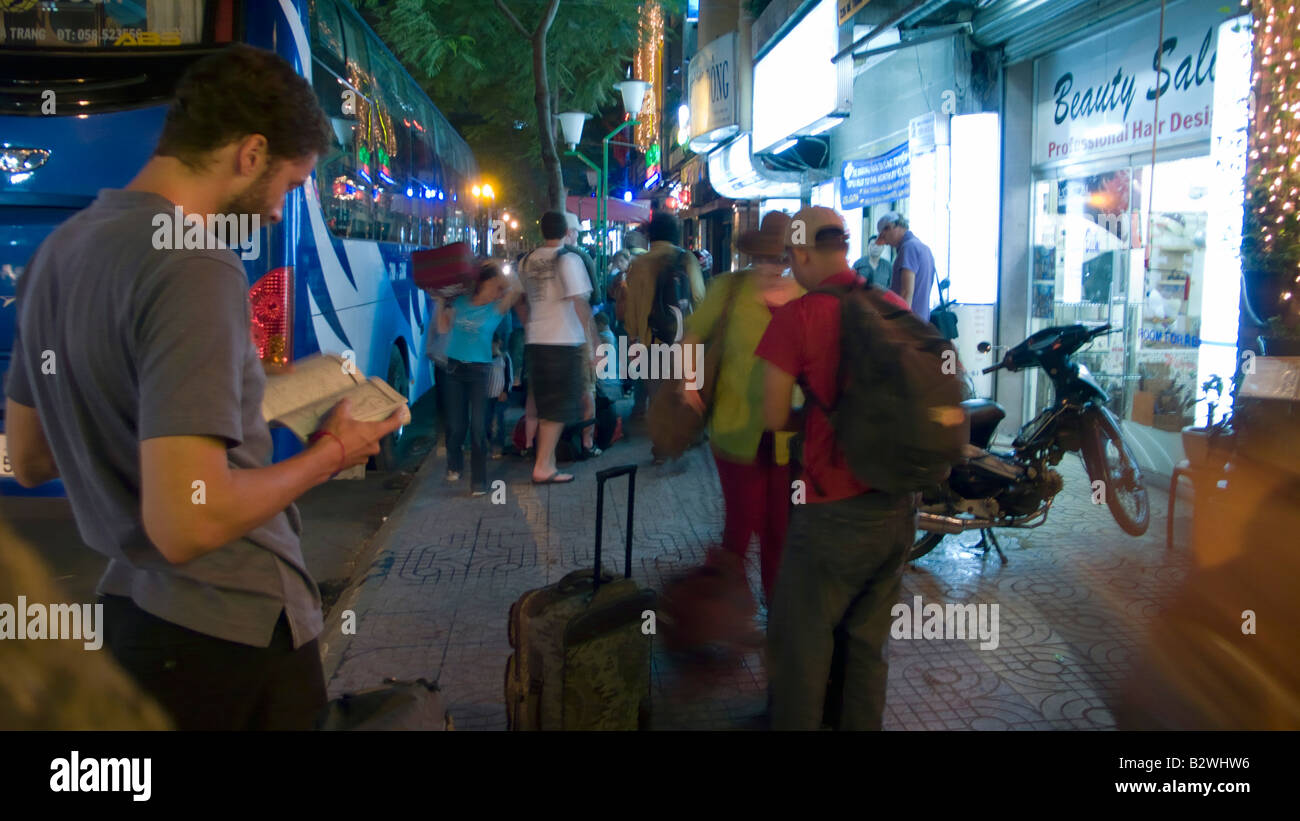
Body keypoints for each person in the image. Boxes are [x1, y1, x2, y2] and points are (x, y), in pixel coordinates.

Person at [2, 45, 406, 730]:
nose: (279, 213)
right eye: (286, 184)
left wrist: (239, 388)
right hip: (232, 629)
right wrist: (332, 450)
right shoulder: (194, 264)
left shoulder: (59, 251)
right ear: (249, 153)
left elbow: (32, 454)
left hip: (132, 614)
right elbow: (187, 521)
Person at [756, 206, 916, 731]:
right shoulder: (893, 304)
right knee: (868, 647)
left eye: (789, 256)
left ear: (801, 252)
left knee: (803, 646)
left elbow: (772, 414)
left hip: (832, 511)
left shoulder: (796, 319)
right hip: (896, 508)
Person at [681, 211, 801, 604]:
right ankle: (721, 606)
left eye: (781, 258)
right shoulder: (727, 289)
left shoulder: (804, 295)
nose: (771, 266)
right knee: (742, 521)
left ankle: (776, 602)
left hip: (789, 430)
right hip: (735, 426)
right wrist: (689, 381)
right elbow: (692, 336)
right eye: (764, 258)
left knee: (779, 526)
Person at [516, 210, 598, 484]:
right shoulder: (569, 259)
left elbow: (519, 300)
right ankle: (543, 465)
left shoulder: (526, 261)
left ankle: (547, 462)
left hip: (536, 340)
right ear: (566, 232)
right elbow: (580, 304)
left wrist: (530, 324)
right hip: (564, 340)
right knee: (560, 406)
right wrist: (595, 343)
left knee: (545, 403)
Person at [436, 261, 519, 494]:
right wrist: (441, 302)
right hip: (454, 368)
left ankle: (479, 480)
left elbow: (517, 288)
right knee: (456, 424)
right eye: (495, 286)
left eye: (500, 287)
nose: (499, 290)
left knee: (479, 426)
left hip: (479, 370)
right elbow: (443, 329)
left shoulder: (496, 308)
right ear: (482, 284)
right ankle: (454, 464)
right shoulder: (461, 302)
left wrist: (498, 266)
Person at [624, 211, 706, 433]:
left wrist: (633, 339)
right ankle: (684, 436)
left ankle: (661, 442)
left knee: (657, 394)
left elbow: (631, 308)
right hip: (685, 338)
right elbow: (699, 296)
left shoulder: (639, 264)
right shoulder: (686, 258)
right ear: (675, 234)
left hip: (651, 341)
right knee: (685, 391)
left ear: (651, 236)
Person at [875, 211, 936, 322]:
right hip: (921, 322)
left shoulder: (909, 248)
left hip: (909, 324)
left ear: (891, 227)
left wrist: (899, 322)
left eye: (884, 236)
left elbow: (906, 292)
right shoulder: (924, 249)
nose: (886, 243)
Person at [485, 334, 514, 459]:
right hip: (486, 396)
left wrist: (506, 391)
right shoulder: (483, 358)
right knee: (486, 421)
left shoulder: (504, 357)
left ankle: (498, 446)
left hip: (499, 396)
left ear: (499, 343)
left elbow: (509, 376)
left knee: (497, 421)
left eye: (494, 343)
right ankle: (488, 445)